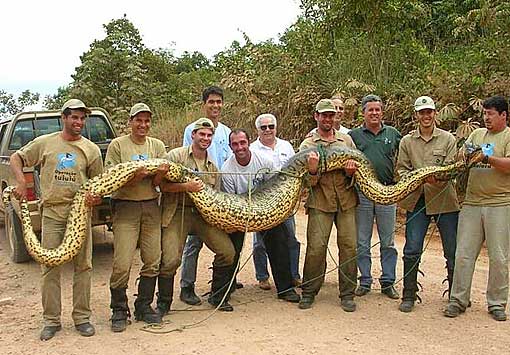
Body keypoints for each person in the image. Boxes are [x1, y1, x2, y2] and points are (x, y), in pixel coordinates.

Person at [10, 99, 103, 341]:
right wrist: (21, 181)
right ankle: (51, 320)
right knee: (50, 266)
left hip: (80, 213)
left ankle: (82, 318)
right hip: (52, 212)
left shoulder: (91, 149)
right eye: (74, 117)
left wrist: (96, 198)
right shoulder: (46, 143)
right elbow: (16, 159)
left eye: (82, 118)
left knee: (84, 266)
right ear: (64, 117)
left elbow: (98, 185)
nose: (79, 122)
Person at [157, 118, 236, 313]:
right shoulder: (175, 156)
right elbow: (161, 185)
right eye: (202, 134)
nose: (205, 138)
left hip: (202, 216)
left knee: (227, 252)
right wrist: (185, 187)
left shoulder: (213, 167)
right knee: (170, 259)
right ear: (193, 135)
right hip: (178, 211)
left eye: (209, 135)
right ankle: (163, 304)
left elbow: (217, 196)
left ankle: (217, 297)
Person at [444, 95, 510, 322]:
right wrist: (466, 154)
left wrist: (487, 156)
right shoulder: (476, 134)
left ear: (503, 115)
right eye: (484, 113)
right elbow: (462, 156)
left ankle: (497, 304)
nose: (486, 118)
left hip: (500, 203)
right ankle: (458, 300)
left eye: (491, 114)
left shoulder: (508, 136)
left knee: (499, 257)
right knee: (463, 254)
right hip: (472, 202)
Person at [106, 103, 168, 332]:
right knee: (122, 262)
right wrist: (134, 177)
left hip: (151, 205)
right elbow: (112, 181)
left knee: (153, 259)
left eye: (147, 121)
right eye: (138, 120)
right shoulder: (117, 146)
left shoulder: (157, 146)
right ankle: (119, 310)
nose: (143, 125)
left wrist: (158, 175)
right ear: (130, 121)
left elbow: (158, 183)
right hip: (125, 207)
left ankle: (144, 306)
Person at [222, 129, 300, 304]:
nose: (240, 147)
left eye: (242, 142)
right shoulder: (226, 170)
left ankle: (285, 289)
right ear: (230, 147)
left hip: (264, 209)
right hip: (240, 212)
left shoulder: (264, 160)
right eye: (235, 144)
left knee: (280, 241)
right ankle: (224, 289)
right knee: (230, 247)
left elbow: (275, 186)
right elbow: (231, 200)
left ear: (249, 142)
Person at [396, 96, 459, 312]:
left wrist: (437, 178)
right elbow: (402, 169)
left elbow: (452, 169)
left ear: (435, 114)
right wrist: (415, 179)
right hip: (417, 200)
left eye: (429, 112)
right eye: (422, 112)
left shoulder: (448, 139)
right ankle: (408, 295)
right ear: (416, 115)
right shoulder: (406, 141)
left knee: (452, 250)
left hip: (445, 201)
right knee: (412, 249)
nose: (426, 116)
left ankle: (456, 296)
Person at [298, 99, 359, 312]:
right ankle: (308, 291)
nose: (327, 119)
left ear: (336, 117)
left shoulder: (346, 140)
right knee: (316, 248)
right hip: (320, 202)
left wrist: (351, 173)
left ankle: (348, 294)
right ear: (316, 116)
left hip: (346, 201)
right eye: (323, 115)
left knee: (350, 247)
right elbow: (304, 181)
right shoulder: (307, 145)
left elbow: (359, 170)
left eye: (331, 115)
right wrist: (313, 171)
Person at [179, 86, 232, 306]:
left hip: (220, 191)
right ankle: (186, 286)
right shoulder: (192, 129)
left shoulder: (227, 131)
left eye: (219, 102)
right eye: (211, 102)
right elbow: (186, 160)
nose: (215, 106)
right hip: (197, 193)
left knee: (223, 241)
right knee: (194, 242)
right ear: (204, 104)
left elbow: (229, 161)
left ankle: (222, 284)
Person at [349, 94, 401, 299]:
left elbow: (403, 158)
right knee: (362, 240)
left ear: (382, 112)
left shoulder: (393, 134)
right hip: (362, 194)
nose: (374, 113)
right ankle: (365, 280)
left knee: (388, 241)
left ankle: (388, 281)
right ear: (363, 113)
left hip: (387, 192)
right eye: (370, 110)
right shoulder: (353, 136)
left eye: (377, 109)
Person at [250, 113, 301, 290]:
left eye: (271, 126)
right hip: (262, 202)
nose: (267, 130)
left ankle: (293, 275)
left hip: (285, 201)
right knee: (260, 241)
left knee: (291, 238)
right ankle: (262, 276)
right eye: (263, 127)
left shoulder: (286, 146)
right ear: (257, 130)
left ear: (276, 127)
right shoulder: (252, 149)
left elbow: (296, 172)